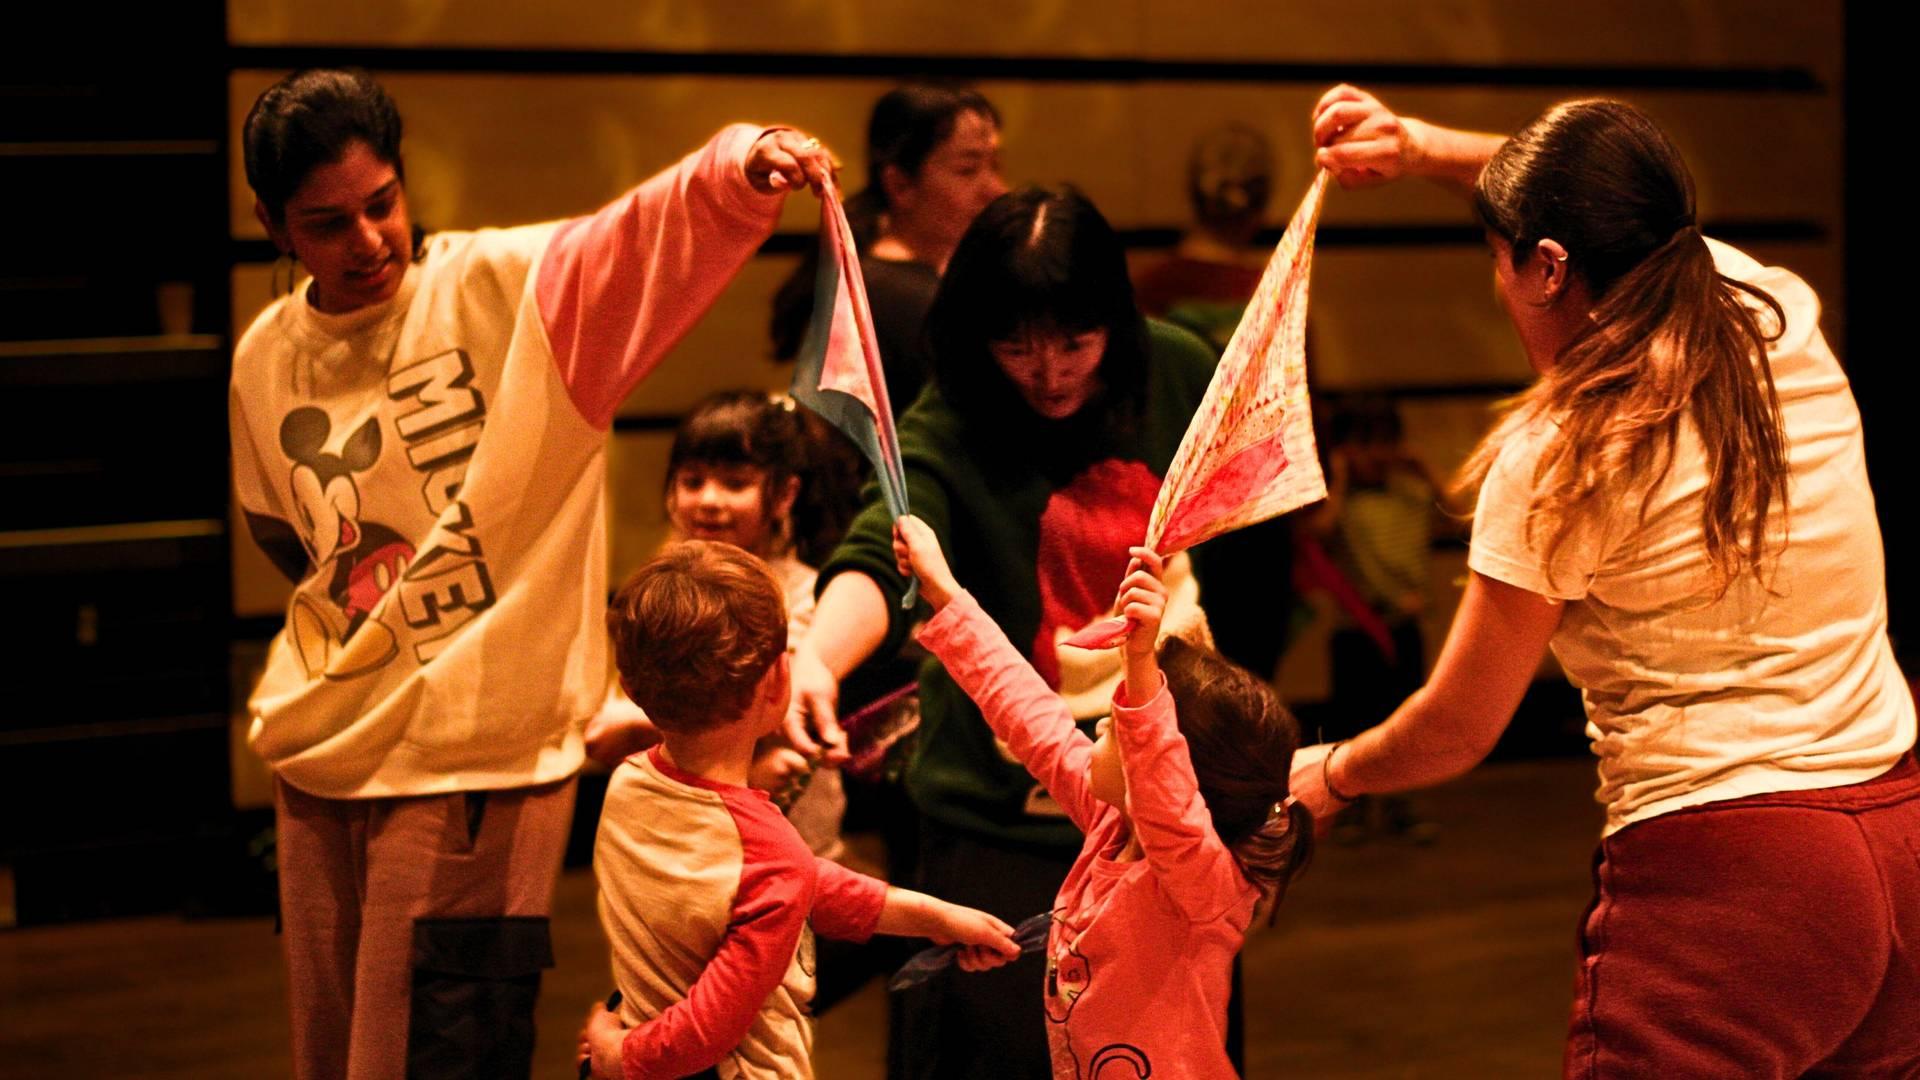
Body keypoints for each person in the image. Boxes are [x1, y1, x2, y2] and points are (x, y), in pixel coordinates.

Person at [1293, 85, 1918, 1076]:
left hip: (1739, 881)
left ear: (1547, 269)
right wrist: (1421, 147)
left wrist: (1332, 772)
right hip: (1897, 832)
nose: (1499, 291)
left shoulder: (1560, 455)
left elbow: (1458, 727)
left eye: (1500, 264)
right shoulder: (1769, 305)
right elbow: (1629, 205)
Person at [229, 67, 837, 1079]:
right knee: (332, 1045)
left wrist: (741, 162)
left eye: (382, 203)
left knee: (436, 1050)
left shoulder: (499, 287)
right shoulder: (264, 355)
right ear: (273, 224)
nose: (369, 239)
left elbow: (632, 237)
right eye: (328, 223)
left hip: (478, 751)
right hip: (321, 744)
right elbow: (286, 539)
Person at [787, 186, 1221, 1079]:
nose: (1049, 369)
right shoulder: (951, 418)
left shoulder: (1179, 374)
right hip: (993, 809)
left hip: (1158, 815)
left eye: (1074, 339)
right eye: (1016, 343)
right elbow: (887, 549)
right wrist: (816, 663)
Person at [577, 541, 1018, 1080]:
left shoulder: (629, 785)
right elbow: (705, 1029)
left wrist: (931, 917)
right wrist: (618, 1057)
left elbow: (776, 882)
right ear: (779, 681)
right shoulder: (768, 855)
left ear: (631, 689)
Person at [895, 515, 1311, 1079]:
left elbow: (1166, 790)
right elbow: (1027, 712)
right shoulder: (1111, 825)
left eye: (1118, 725)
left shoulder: (1200, 882)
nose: (1096, 728)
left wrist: (1140, 664)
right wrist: (943, 589)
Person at [582, 390, 849, 852]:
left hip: (786, 841)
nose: (708, 499)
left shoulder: (809, 594)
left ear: (784, 493)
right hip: (676, 833)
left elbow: (764, 713)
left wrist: (635, 723)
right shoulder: (659, 585)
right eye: (693, 480)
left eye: (734, 482)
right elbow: (609, 733)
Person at [1306, 396, 1457, 843]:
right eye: (1365, 444)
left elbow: (1455, 514)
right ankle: (1350, 809)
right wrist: (1339, 477)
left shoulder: (1408, 494)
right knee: (1353, 723)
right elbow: (1320, 532)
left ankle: (1399, 806)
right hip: (1355, 628)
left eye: (1385, 443)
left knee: (1402, 723)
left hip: (1404, 627)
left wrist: (1423, 468)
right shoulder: (1340, 504)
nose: (1377, 455)